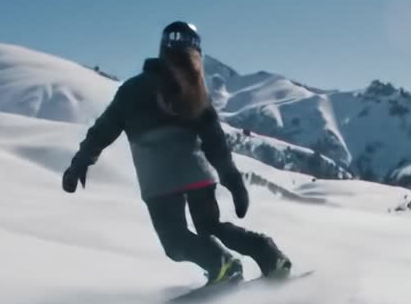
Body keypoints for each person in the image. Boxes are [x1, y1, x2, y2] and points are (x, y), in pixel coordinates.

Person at [61, 21, 291, 285]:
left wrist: (79, 164)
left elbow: (103, 130)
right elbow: (215, 143)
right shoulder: (196, 92)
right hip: (197, 175)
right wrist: (234, 182)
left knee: (175, 241)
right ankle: (268, 254)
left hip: (159, 183)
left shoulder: (134, 89)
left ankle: (221, 264)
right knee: (210, 227)